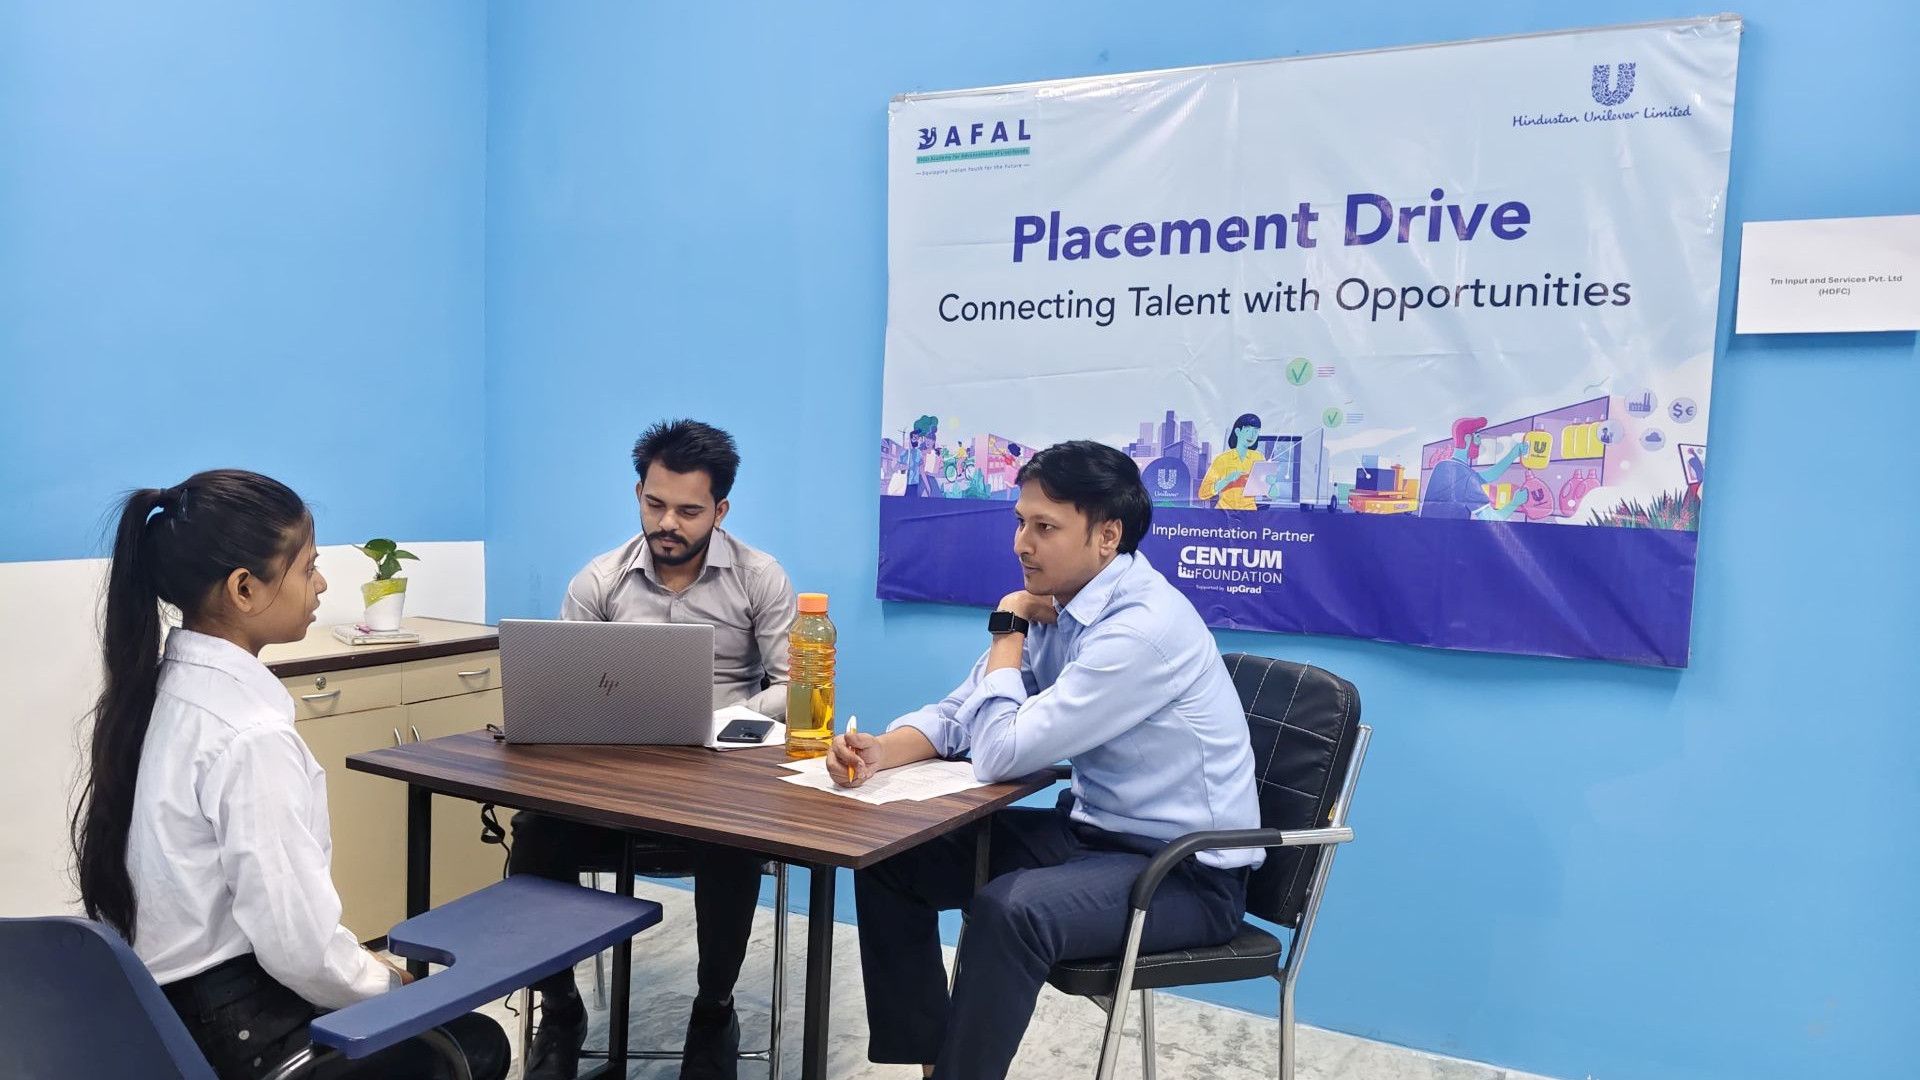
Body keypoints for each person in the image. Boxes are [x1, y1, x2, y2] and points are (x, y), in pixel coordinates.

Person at [830, 441, 1261, 1080]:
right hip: (1090, 839)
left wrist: (1008, 630)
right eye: (1020, 522)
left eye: (1044, 527)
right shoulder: (1064, 600)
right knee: (896, 860)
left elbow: (1000, 750)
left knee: (1013, 909)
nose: (1021, 544)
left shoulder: (1140, 630)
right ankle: (932, 1062)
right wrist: (882, 752)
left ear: (1107, 536)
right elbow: (968, 713)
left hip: (1184, 875)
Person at [70, 469, 508, 1080]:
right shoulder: (250, 736)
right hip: (243, 1035)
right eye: (307, 568)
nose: (321, 583)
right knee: (477, 1042)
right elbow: (297, 946)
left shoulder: (160, 693)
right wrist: (390, 986)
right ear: (244, 589)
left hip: (164, 1019)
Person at [510, 419, 798, 1080]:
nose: (668, 523)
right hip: (614, 781)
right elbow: (562, 686)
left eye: (689, 511)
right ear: (638, 492)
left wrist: (724, 715)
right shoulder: (599, 581)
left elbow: (799, 686)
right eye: (654, 504)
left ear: (720, 510)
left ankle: (713, 1012)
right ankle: (559, 1010)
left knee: (734, 841)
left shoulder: (760, 578)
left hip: (717, 779)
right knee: (534, 835)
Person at [1420, 416, 1528, 520]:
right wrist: (1515, 502)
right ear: (1467, 439)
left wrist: (1514, 453)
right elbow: (1492, 518)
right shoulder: (1466, 477)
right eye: (1477, 436)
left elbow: (1489, 475)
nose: (1479, 442)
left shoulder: (1442, 466)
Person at [1196, 412, 1265, 509]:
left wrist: (1270, 483)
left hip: (1249, 514)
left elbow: (1264, 489)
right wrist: (1226, 480)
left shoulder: (1259, 457)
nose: (1252, 435)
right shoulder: (1222, 459)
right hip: (1224, 513)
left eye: (1256, 431)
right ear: (1237, 431)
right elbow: (1203, 493)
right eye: (1248, 430)